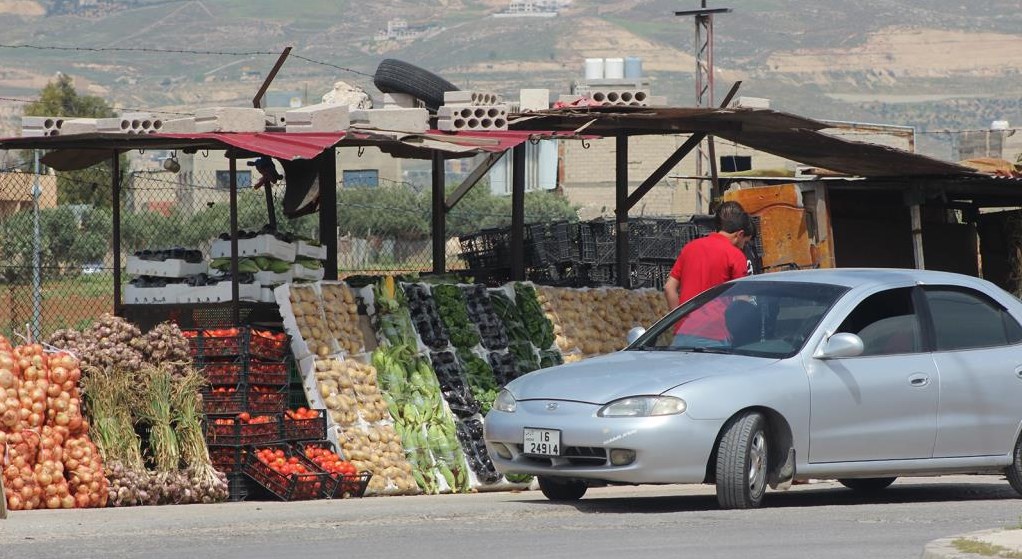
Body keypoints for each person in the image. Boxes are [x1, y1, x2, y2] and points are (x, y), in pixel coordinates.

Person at [664, 201, 755, 345]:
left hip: (682, 333)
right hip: (714, 335)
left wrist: (679, 322)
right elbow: (741, 299)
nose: (744, 246)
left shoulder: (690, 248)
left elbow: (669, 288)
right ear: (740, 234)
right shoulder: (735, 255)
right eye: (745, 242)